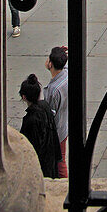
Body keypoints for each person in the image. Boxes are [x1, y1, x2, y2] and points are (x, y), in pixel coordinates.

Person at [19, 74, 60, 178]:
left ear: (24, 97)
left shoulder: (30, 120)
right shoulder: (45, 106)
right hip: (51, 157)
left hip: (41, 165)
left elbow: (32, 147)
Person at [43, 45, 69, 178]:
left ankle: (64, 185)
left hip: (57, 130)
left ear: (51, 64)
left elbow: (51, 114)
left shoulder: (53, 90)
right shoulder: (65, 74)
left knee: (60, 161)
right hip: (64, 125)